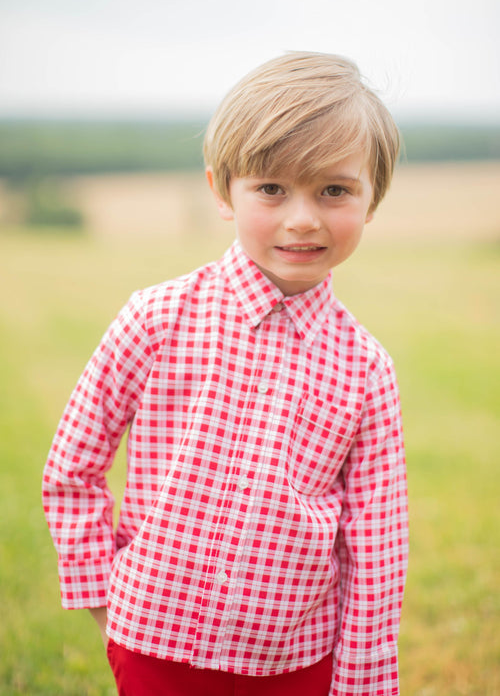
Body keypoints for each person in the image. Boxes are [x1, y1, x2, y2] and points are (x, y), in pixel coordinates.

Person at [43, 51, 409, 696]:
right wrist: (105, 598)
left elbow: (375, 547)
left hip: (297, 660)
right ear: (221, 190)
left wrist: (361, 681)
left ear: (371, 198)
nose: (303, 217)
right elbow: (73, 466)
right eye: (271, 188)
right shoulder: (156, 319)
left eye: (334, 189)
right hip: (153, 641)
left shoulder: (367, 370)